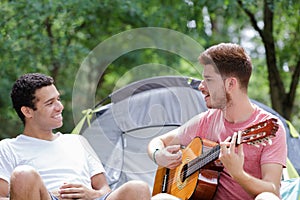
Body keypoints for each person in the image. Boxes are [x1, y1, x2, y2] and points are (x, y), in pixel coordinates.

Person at [147, 43, 287, 200]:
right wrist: (158, 155)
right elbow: (158, 142)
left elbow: (273, 189)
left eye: (208, 80)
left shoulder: (269, 127)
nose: (201, 86)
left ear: (230, 84)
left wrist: (238, 174)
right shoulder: (206, 120)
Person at [0, 73, 151, 200]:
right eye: (50, 103)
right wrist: (44, 193)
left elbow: (104, 189)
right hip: (48, 197)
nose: (60, 107)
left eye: (58, 99)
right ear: (27, 112)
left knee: (138, 188)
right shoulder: (8, 148)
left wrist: (91, 194)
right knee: (23, 174)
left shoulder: (78, 141)